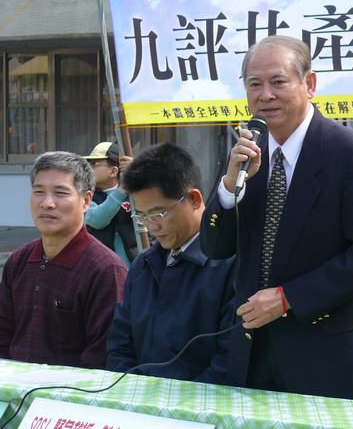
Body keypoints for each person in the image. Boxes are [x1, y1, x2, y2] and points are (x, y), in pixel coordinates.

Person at [200, 35, 353, 400]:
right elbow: (215, 247)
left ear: (310, 84)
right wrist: (228, 188)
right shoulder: (247, 154)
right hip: (251, 354)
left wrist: (288, 298)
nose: (265, 95)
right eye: (254, 84)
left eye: (278, 82)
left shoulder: (352, 154)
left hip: (326, 354)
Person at [107, 142, 235, 384]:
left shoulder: (230, 264)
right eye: (142, 216)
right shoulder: (144, 265)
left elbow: (230, 358)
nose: (151, 226)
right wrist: (134, 389)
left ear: (194, 199)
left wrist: (178, 402)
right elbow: (120, 344)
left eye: (158, 214)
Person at [0, 151, 127, 369]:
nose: (47, 203)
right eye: (38, 192)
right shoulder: (18, 261)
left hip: (71, 389)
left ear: (86, 200)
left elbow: (102, 356)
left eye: (60, 193)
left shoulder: (106, 270)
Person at [84, 141, 137, 266]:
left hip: (135, 266)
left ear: (113, 171)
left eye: (94, 164)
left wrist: (140, 172)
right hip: (99, 265)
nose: (88, 168)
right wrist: (122, 190)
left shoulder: (136, 193)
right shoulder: (86, 195)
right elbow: (97, 220)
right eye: (88, 163)